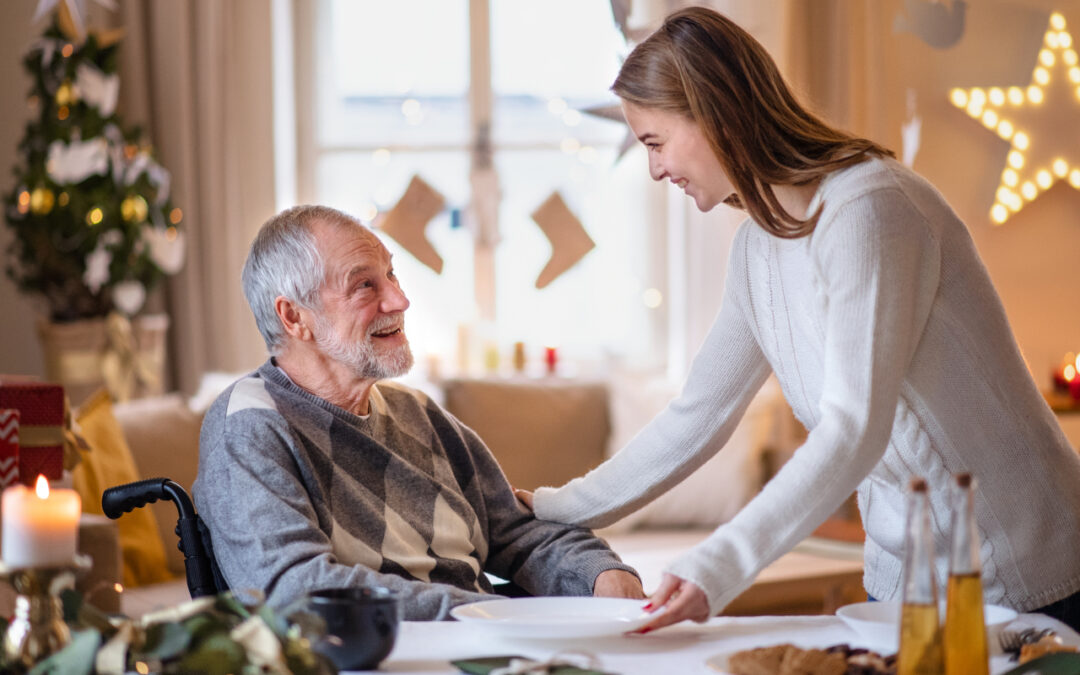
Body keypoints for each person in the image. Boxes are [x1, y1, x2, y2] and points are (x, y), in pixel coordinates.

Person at [521, 6, 1080, 633]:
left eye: (656, 142)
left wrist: (718, 563)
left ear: (715, 114)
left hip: (1025, 573)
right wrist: (554, 507)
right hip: (904, 582)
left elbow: (853, 428)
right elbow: (697, 415)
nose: (653, 169)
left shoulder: (871, 210)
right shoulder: (758, 249)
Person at [193, 205, 643, 620]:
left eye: (392, 275)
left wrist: (601, 573)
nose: (399, 300)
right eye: (365, 285)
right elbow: (298, 593)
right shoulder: (249, 425)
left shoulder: (416, 412)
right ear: (294, 318)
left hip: (480, 648)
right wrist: (488, 614)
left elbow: (516, 531)